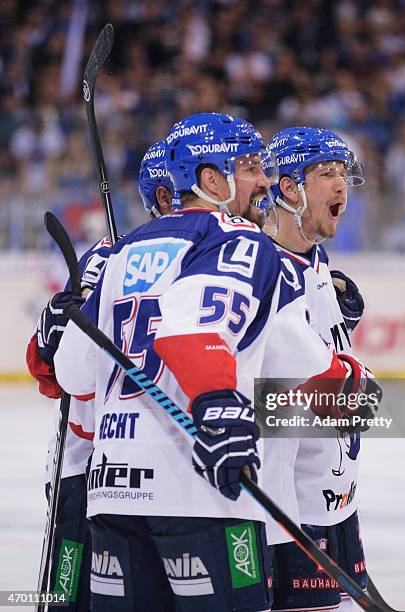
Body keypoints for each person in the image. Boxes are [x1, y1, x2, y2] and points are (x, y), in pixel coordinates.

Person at [53, 112, 283, 612]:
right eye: (249, 167)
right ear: (210, 179)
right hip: (201, 491)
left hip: (113, 491)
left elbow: (72, 371)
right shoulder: (237, 237)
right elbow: (190, 330)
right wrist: (220, 407)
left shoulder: (120, 252)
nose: (264, 181)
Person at [26, 139, 174, 611]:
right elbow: (50, 372)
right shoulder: (110, 258)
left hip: (169, 474)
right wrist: (54, 325)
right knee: (71, 601)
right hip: (89, 469)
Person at [266, 126, 376, 612]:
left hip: (330, 490)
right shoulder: (261, 266)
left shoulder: (315, 259)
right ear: (289, 188)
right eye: (325, 173)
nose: (340, 186)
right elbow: (259, 399)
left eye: (343, 174)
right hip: (288, 504)